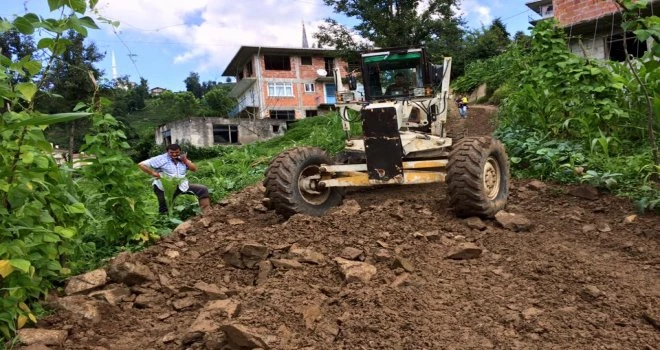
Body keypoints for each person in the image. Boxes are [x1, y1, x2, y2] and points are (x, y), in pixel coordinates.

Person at [138, 144, 211, 215]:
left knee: (202, 189)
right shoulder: (161, 159)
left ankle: (206, 213)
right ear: (167, 152)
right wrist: (153, 173)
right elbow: (141, 165)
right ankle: (166, 222)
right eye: (171, 153)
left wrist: (185, 160)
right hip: (164, 188)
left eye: (177, 152)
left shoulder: (182, 159)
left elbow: (194, 169)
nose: (174, 154)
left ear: (180, 151)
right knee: (165, 208)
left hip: (180, 185)